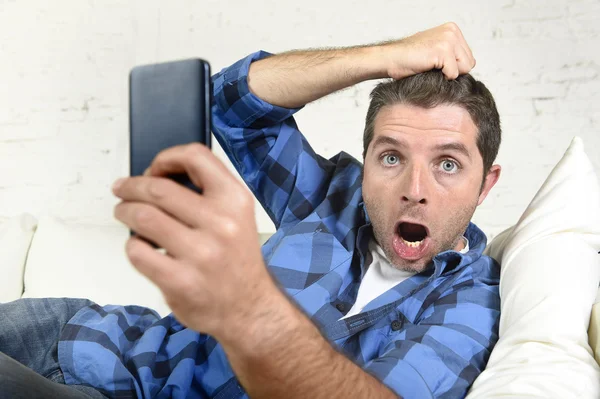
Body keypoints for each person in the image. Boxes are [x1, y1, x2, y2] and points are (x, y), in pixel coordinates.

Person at [0, 22, 502, 399]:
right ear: (366, 163)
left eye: (448, 164)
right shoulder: (334, 196)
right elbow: (232, 105)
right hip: (82, 336)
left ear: (486, 185)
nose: (414, 189)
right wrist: (384, 56)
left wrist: (246, 302)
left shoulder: (472, 302)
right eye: (391, 157)